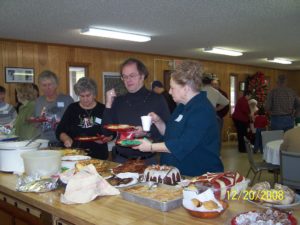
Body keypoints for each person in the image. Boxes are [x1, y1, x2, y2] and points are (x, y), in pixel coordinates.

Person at [133, 60, 224, 176]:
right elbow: (171, 135)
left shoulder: (202, 110)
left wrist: (150, 147)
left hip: (197, 176)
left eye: (172, 88)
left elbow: (182, 145)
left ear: (185, 89)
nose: (169, 92)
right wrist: (159, 122)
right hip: (177, 173)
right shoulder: (182, 106)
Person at [103, 58, 170, 164]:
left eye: (132, 75)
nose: (128, 80)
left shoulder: (157, 99)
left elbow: (168, 134)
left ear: (142, 76)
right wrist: (108, 104)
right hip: (120, 160)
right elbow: (106, 133)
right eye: (124, 77)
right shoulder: (119, 101)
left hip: (147, 161)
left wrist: (146, 133)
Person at [56, 77, 110, 159]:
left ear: (94, 94)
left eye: (88, 95)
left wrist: (107, 138)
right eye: (82, 96)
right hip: (76, 155)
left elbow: (112, 132)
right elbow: (59, 130)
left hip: (98, 155)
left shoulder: (102, 109)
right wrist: (66, 138)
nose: (85, 99)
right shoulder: (72, 108)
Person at [34, 70, 73, 146]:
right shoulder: (39, 101)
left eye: (50, 84)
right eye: (44, 85)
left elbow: (74, 121)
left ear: (56, 85)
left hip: (63, 142)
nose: (47, 88)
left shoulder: (67, 100)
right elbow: (37, 123)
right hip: (44, 143)